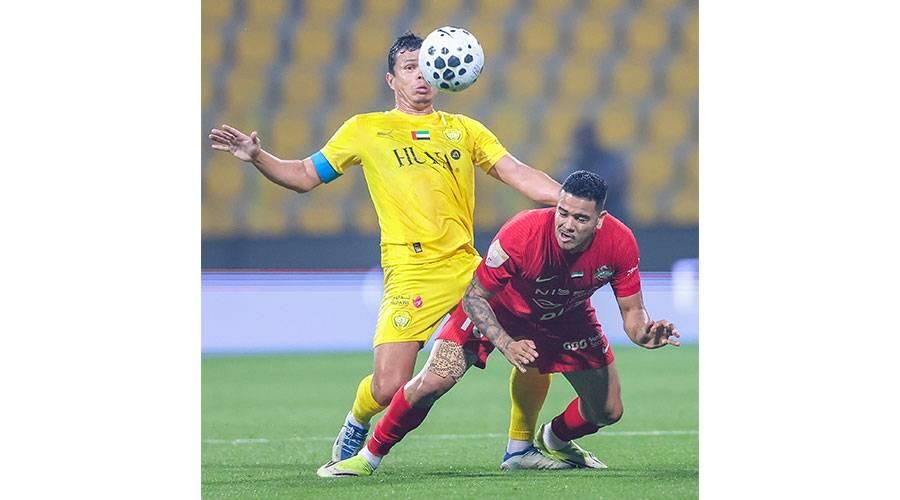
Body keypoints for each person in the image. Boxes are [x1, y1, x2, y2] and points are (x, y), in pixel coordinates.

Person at [208, 32, 574, 470]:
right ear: (391, 79)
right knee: (389, 387)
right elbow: (305, 175)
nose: (421, 75)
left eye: (427, 66)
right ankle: (357, 418)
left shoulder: (465, 130)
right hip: (411, 271)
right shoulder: (365, 130)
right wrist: (258, 156)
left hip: (469, 269)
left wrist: (568, 201)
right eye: (409, 67)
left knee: (537, 344)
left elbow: (516, 171)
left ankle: (520, 448)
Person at [317, 171, 680, 477]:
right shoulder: (522, 232)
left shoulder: (620, 242)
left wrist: (645, 333)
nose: (568, 225)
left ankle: (552, 439)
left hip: (565, 316)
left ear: (600, 220)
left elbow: (633, 313)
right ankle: (368, 457)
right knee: (433, 381)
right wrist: (506, 343)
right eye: (563, 213)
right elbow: (475, 297)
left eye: (581, 219)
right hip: (496, 310)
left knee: (608, 411)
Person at [566, 120, 630, 223]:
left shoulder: (609, 160)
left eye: (585, 137)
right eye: (580, 138)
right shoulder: (575, 162)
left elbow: (615, 184)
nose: (583, 142)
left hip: (612, 210)